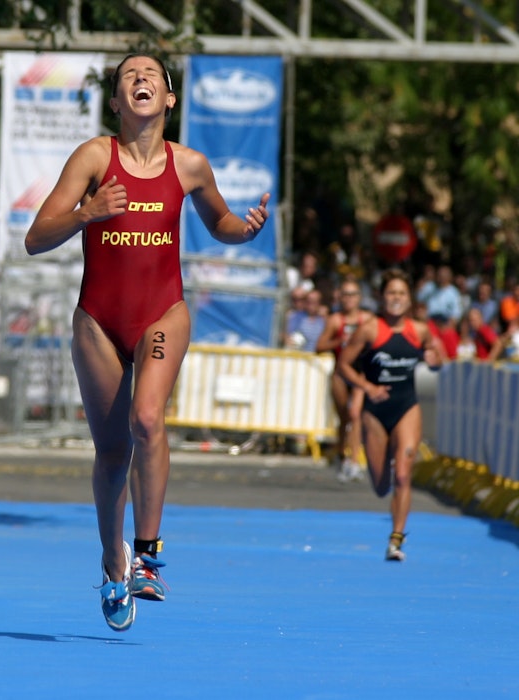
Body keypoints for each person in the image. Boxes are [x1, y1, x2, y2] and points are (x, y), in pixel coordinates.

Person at [25, 54, 269, 632]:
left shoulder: (190, 165)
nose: (141, 80)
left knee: (147, 418)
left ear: (169, 99)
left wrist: (245, 231)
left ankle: (147, 555)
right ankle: (114, 561)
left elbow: (220, 222)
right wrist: (87, 212)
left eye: (152, 75)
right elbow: (36, 238)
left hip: (163, 314)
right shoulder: (93, 157)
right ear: (116, 101)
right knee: (112, 453)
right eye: (129, 76)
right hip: (98, 321)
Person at [337, 268, 445, 561]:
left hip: (406, 406)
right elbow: (343, 365)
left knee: (403, 475)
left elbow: (438, 359)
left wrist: (435, 360)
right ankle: (384, 463)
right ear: (381, 297)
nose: (396, 298)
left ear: (409, 299)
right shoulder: (370, 329)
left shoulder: (419, 330)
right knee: (382, 485)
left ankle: (396, 540)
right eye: (391, 293)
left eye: (401, 293)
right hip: (375, 412)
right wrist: (367, 387)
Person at [316, 276, 374, 482]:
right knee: (344, 418)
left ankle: (354, 461)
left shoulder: (367, 319)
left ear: (359, 297)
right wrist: (339, 341)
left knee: (355, 414)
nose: (349, 299)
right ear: (340, 297)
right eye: (345, 294)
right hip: (341, 373)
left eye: (353, 294)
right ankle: (342, 454)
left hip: (359, 372)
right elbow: (319, 346)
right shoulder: (335, 320)